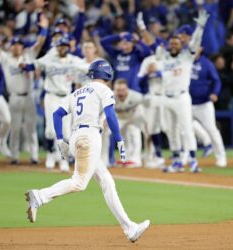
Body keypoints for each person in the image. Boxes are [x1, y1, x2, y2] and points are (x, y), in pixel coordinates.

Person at [25, 59, 150, 243]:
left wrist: (61, 139)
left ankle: (129, 228)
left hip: (78, 136)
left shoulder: (76, 92)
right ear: (108, 75)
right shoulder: (104, 90)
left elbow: (56, 114)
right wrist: (119, 139)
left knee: (107, 182)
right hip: (89, 137)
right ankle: (40, 196)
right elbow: (110, 115)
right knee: (79, 183)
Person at [0, 14, 48, 164]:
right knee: (15, 128)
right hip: (14, 97)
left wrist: (44, 29)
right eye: (14, 44)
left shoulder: (29, 54)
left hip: (29, 96)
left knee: (31, 128)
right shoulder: (6, 58)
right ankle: (14, 156)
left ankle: (34, 156)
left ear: (22, 46)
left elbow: (40, 42)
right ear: (11, 46)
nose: (17, 46)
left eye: (19, 44)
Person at [149, 10, 209, 173]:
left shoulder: (186, 56)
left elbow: (195, 42)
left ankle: (193, 160)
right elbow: (153, 46)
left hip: (182, 97)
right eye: (172, 43)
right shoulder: (165, 58)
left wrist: (200, 28)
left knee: (187, 128)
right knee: (171, 130)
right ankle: (176, 160)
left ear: (181, 45)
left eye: (177, 43)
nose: (174, 45)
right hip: (166, 98)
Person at [23, 36, 88, 171]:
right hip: (51, 96)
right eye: (60, 46)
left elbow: (88, 67)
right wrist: (24, 65)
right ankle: (51, 154)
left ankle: (62, 158)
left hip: (67, 97)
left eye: (64, 45)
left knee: (66, 131)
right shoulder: (49, 58)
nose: (62, 48)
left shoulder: (73, 60)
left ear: (68, 47)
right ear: (56, 47)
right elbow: (34, 65)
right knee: (51, 131)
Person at [190, 52, 227, 167]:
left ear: (200, 49)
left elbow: (216, 80)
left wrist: (215, 93)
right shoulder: (184, 60)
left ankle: (221, 157)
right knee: (184, 128)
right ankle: (187, 154)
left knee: (212, 129)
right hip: (186, 102)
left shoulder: (206, 63)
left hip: (204, 103)